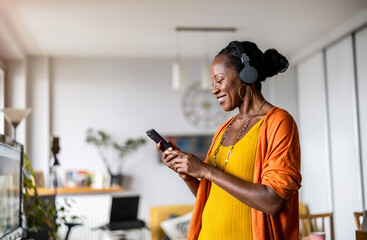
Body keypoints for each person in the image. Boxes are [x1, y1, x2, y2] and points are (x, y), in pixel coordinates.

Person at [157, 40, 302, 240]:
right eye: (212, 83)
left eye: (219, 80)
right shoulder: (223, 130)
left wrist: (205, 170)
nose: (214, 89)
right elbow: (213, 196)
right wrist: (188, 174)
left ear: (246, 75)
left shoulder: (278, 122)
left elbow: (273, 202)